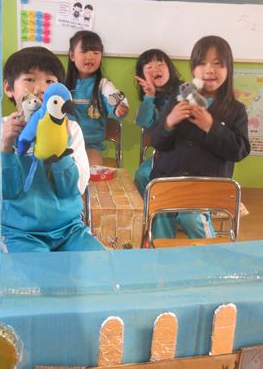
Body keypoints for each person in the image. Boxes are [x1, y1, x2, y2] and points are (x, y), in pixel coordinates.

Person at [1, 46, 104, 252]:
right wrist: (5, 148)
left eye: (50, 81)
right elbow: (5, 192)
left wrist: (61, 147)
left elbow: (74, 189)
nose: (41, 89)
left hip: (69, 230)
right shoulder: (1, 131)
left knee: (98, 265)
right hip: (20, 233)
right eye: (29, 79)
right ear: (9, 88)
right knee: (40, 271)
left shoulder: (71, 129)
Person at [149, 36, 250, 239]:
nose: (209, 70)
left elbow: (239, 150)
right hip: (169, 181)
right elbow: (157, 141)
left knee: (190, 217)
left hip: (207, 186)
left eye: (217, 63)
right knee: (159, 216)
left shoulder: (235, 110)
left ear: (228, 69)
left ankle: (210, 253)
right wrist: (169, 122)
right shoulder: (178, 100)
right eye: (202, 63)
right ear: (193, 68)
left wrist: (210, 127)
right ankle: (162, 256)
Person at [65, 30, 129, 166]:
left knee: (91, 171)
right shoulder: (62, 86)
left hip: (90, 146)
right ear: (72, 55)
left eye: (95, 52)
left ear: (101, 56)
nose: (90, 57)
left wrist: (119, 107)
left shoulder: (103, 85)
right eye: (84, 51)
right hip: (64, 144)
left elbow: (113, 95)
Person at [133, 48, 183, 196]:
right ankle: (152, 208)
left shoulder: (184, 90)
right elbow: (143, 123)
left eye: (160, 64)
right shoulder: (150, 100)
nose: (155, 69)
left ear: (170, 69)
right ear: (142, 76)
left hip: (187, 152)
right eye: (149, 67)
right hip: (163, 154)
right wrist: (149, 96)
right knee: (142, 175)